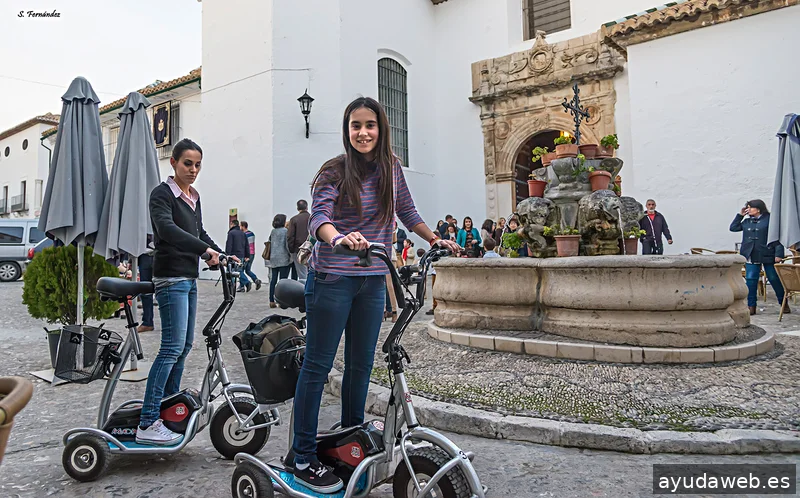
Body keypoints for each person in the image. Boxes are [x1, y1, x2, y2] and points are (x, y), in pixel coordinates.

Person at [289, 96, 460, 493]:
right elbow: (320, 217)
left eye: (370, 125)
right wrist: (338, 238)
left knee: (361, 365)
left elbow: (407, 211)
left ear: (381, 129)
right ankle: (301, 457)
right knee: (317, 366)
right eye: (355, 126)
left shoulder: (391, 168)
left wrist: (437, 239)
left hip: (372, 280)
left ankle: (349, 439)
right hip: (332, 277)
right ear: (347, 131)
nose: (363, 132)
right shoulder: (333, 170)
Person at [138, 138, 226, 445]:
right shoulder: (162, 195)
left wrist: (220, 253)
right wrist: (205, 251)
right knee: (171, 348)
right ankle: (148, 422)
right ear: (174, 162)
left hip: (188, 278)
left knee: (185, 346)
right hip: (170, 277)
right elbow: (167, 230)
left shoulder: (193, 197)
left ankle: (168, 410)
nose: (193, 169)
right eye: (187, 163)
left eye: (198, 164)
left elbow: (197, 232)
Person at [730, 199, 788, 316]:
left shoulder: (770, 219)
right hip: (751, 254)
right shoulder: (746, 222)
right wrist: (740, 215)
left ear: (758, 208)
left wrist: (779, 254)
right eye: (747, 207)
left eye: (750, 207)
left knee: (773, 278)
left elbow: (777, 237)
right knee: (751, 280)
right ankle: (751, 306)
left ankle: (783, 303)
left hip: (768, 253)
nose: (748, 209)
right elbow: (733, 228)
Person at [267, 213, 293, 308]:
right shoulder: (285, 231)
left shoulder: (273, 231)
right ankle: (282, 301)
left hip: (274, 258)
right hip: (283, 258)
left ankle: (271, 300)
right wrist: (291, 256)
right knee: (283, 281)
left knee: (273, 280)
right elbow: (287, 245)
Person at [288, 199, 310, 281]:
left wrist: (291, 250)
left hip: (298, 249)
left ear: (297, 208)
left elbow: (290, 236)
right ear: (307, 207)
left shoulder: (294, 219)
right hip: (312, 249)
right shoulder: (312, 218)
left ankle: (305, 292)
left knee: (302, 274)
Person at [226, 219, 251, 292]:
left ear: (232, 224)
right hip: (241, 255)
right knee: (239, 270)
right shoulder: (243, 233)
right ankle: (246, 282)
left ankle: (231, 287)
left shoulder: (231, 233)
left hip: (233, 255)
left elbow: (229, 244)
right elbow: (247, 245)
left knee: (231, 272)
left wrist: (227, 254)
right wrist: (247, 255)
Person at [240, 221, 262, 291]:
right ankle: (256, 280)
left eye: (240, 226)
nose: (239, 227)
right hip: (252, 253)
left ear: (243, 226)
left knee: (241, 270)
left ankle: (242, 286)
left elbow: (244, 246)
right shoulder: (252, 234)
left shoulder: (243, 235)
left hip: (246, 254)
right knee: (248, 270)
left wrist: (246, 256)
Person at [137, 248, 155, 333]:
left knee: (165, 289)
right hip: (144, 253)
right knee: (145, 290)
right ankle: (147, 322)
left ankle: (170, 324)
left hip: (161, 253)